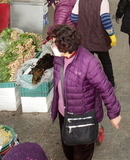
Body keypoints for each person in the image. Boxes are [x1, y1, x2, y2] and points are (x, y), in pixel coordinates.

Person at [48, 24, 121, 160]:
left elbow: (105, 88)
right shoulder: (59, 58)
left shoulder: (89, 62)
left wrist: (114, 114)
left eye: (54, 43)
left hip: (83, 116)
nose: (52, 45)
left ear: (65, 45)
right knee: (68, 148)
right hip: (64, 114)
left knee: (82, 153)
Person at [71, 0, 117, 88]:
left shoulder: (81, 0)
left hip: (84, 38)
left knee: (86, 63)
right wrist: (111, 35)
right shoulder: (102, 1)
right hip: (99, 38)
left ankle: (88, 85)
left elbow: (74, 17)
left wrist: (84, 21)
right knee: (105, 61)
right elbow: (105, 20)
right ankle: (110, 83)